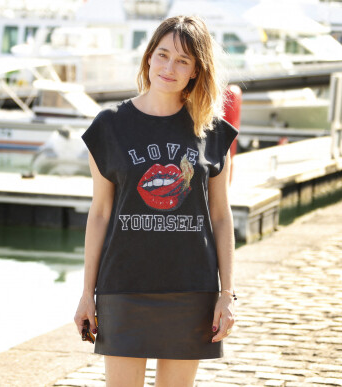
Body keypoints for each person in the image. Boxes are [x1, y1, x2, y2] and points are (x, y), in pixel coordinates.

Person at [74, 15, 238, 386]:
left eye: (183, 61)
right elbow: (99, 214)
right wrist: (87, 294)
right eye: (162, 55)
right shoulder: (109, 127)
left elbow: (222, 216)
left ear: (197, 71)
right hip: (123, 286)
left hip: (192, 288)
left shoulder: (210, 131)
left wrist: (227, 294)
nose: (169, 67)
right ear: (148, 57)